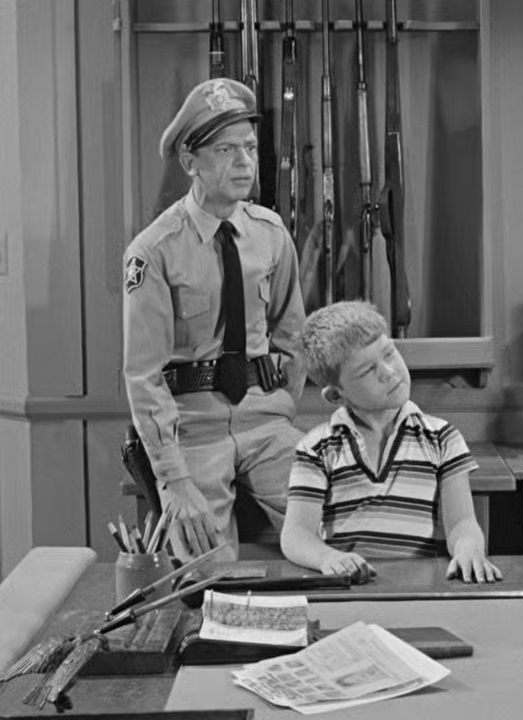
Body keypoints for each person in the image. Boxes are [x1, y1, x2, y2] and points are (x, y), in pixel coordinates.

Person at [123, 78, 306, 562]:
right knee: (206, 568)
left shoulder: (271, 234)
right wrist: (174, 478)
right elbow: (143, 376)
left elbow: (293, 337)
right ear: (190, 162)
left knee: (332, 528)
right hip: (193, 432)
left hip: (267, 424)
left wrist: (282, 409)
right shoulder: (154, 250)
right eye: (226, 150)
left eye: (249, 147)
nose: (244, 162)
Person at [280, 300, 501, 584]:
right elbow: (296, 535)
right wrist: (328, 559)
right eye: (367, 371)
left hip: (424, 592)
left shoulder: (442, 438)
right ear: (336, 395)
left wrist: (468, 548)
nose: (388, 371)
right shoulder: (317, 448)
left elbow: (462, 522)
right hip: (352, 592)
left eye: (389, 353)